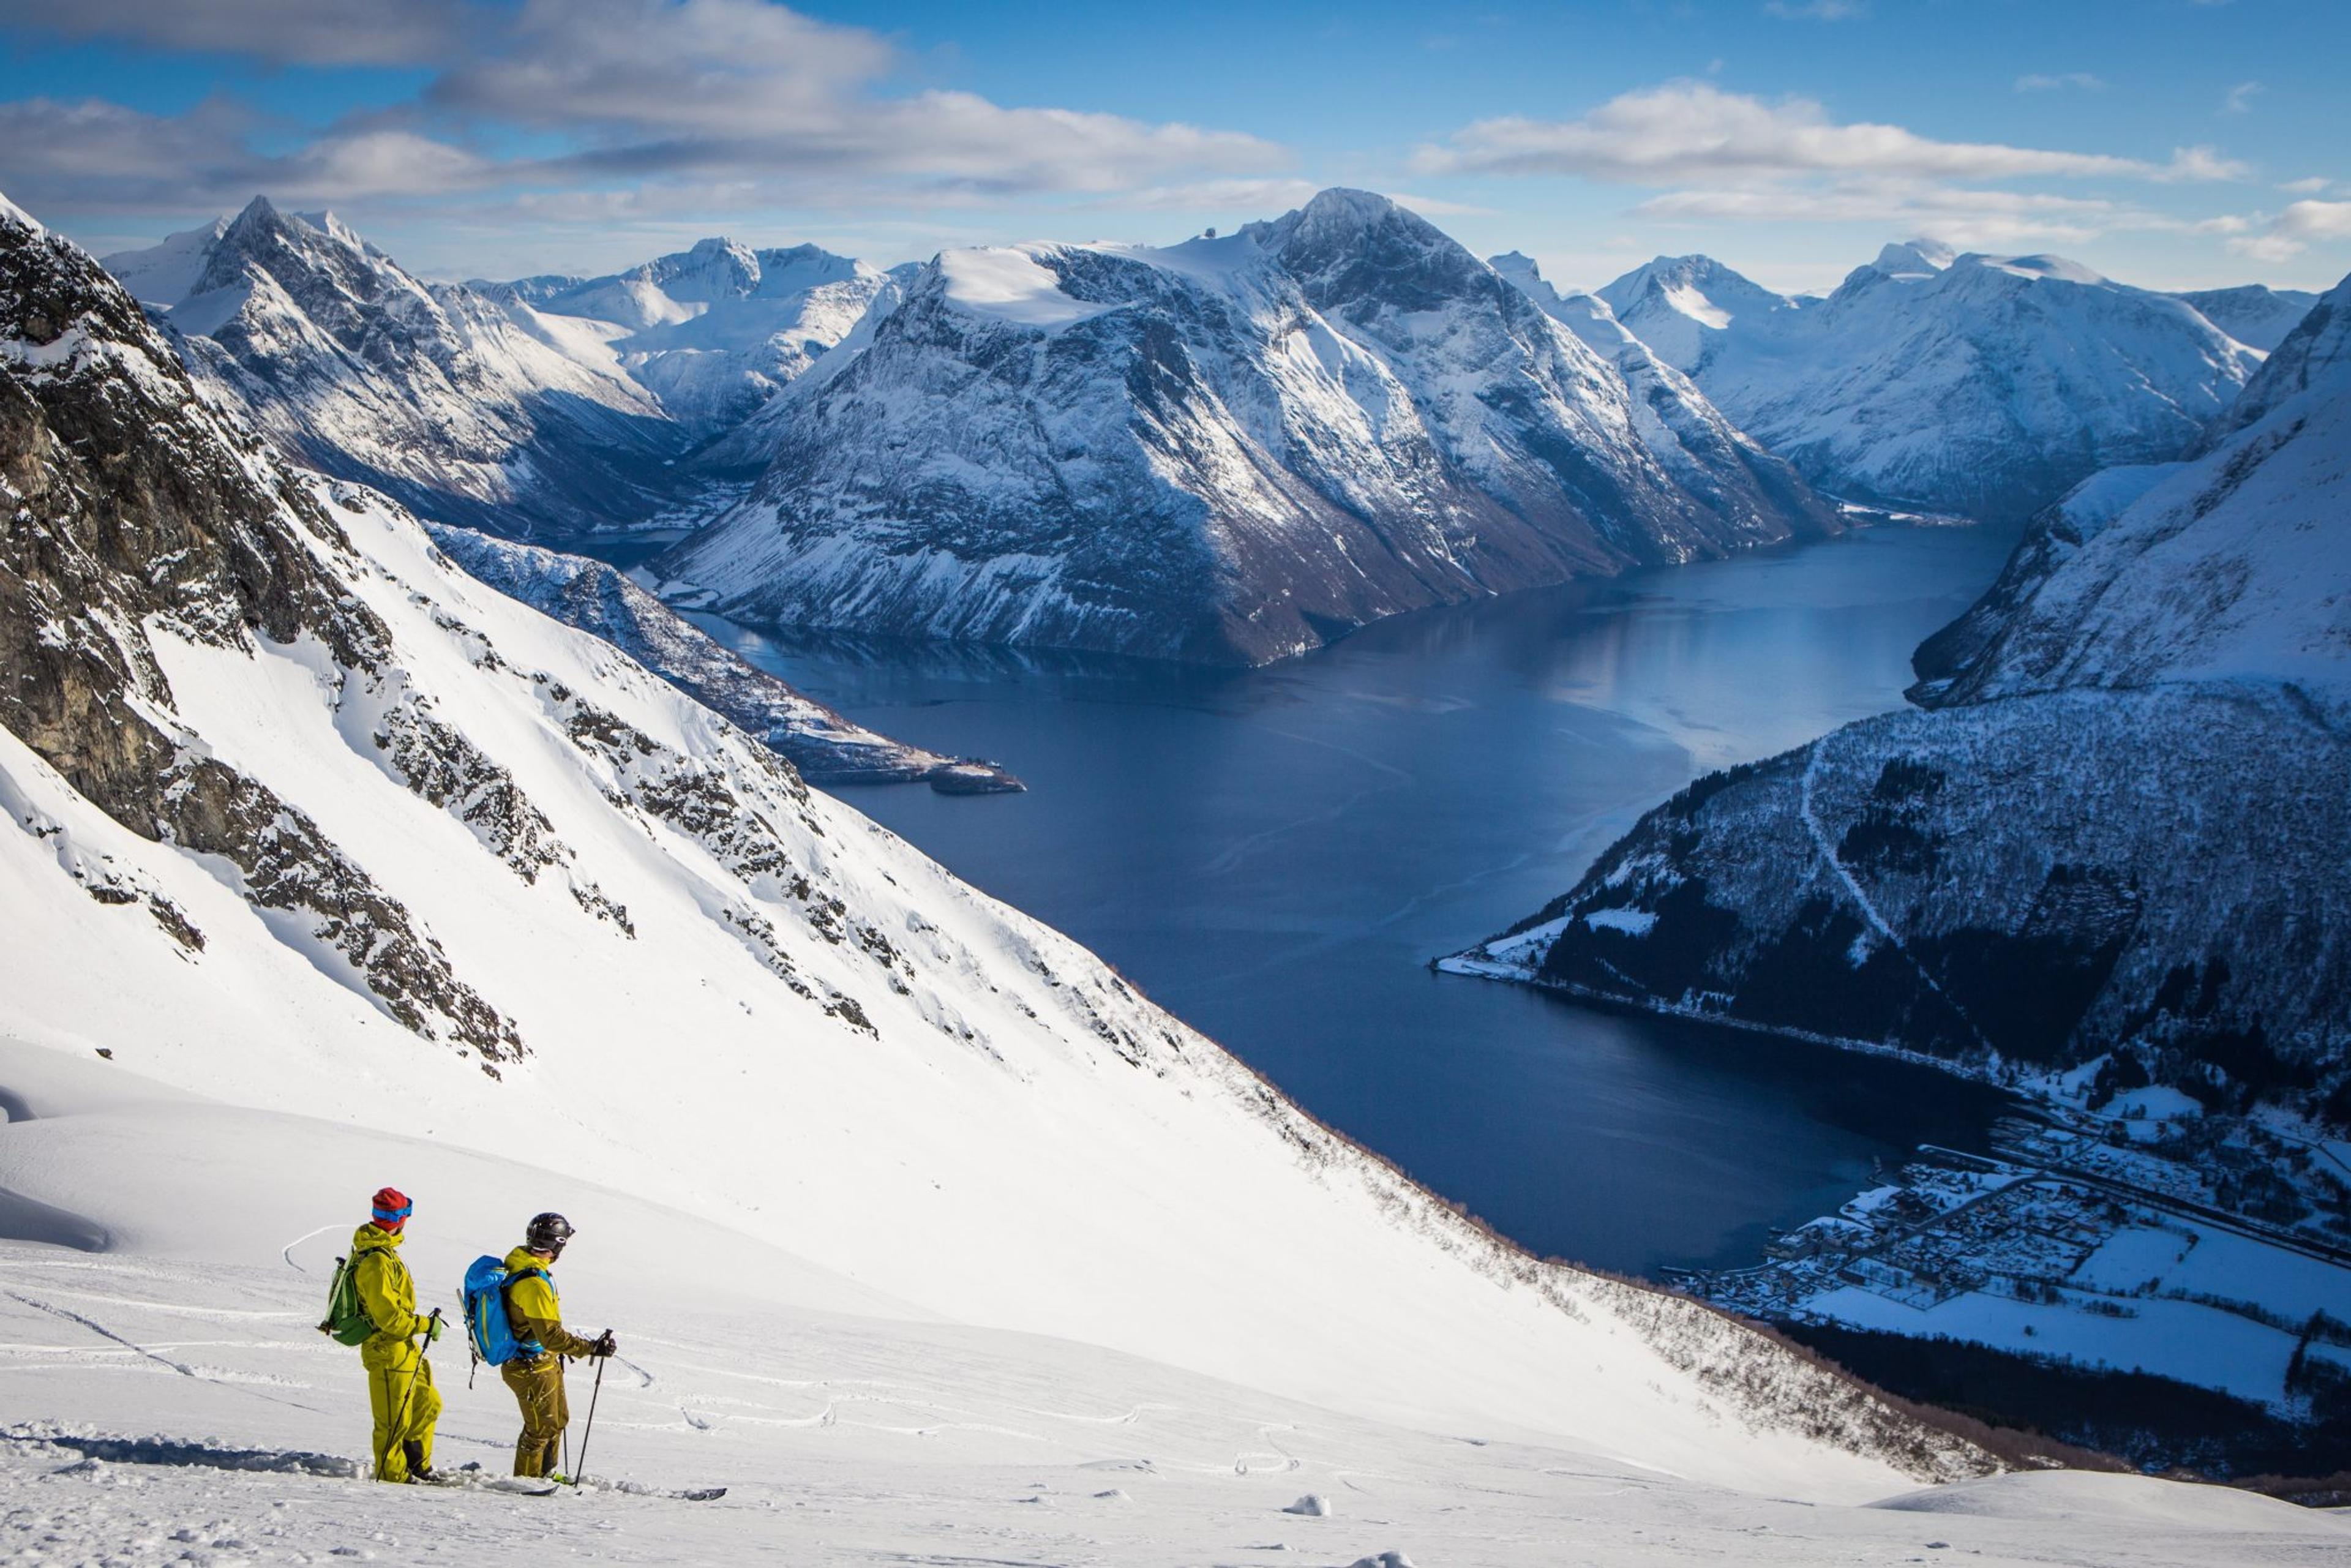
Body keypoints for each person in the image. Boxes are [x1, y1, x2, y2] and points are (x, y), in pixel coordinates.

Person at [498, 1211, 616, 1480]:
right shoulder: (534, 1284)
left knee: (557, 1421)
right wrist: (591, 1348)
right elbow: (550, 1336)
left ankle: (545, 1475)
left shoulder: (524, 1268)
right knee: (539, 1429)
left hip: (540, 1361)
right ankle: (527, 1482)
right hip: (529, 1365)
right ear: (557, 1244)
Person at [352, 1186, 443, 1483]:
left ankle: (418, 1465)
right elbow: (390, 1317)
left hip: (404, 1348)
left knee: (428, 1403)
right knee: (393, 1420)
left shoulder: (385, 1254)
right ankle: (393, 1479)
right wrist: (424, 1325)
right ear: (401, 1219)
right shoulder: (376, 1261)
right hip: (387, 1348)